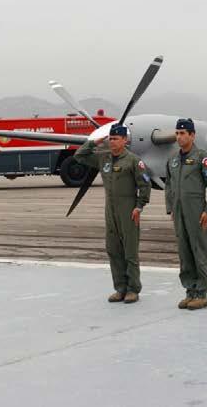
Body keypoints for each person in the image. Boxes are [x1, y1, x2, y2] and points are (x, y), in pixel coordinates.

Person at [74, 124, 151, 303]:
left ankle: (133, 289)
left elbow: (145, 184)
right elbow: (79, 156)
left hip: (128, 209)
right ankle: (120, 288)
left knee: (130, 251)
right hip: (110, 209)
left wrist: (139, 206)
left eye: (116, 139)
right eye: (111, 138)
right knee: (113, 250)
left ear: (125, 140)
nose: (112, 142)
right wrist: (93, 142)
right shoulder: (104, 159)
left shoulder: (133, 161)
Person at [164, 118, 207, 310]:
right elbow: (168, 184)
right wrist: (171, 207)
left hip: (197, 212)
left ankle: (201, 294)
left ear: (192, 135)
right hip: (179, 212)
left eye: (183, 133)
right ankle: (190, 291)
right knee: (184, 252)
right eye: (177, 133)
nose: (179, 137)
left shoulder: (202, 158)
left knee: (198, 251)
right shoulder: (172, 159)